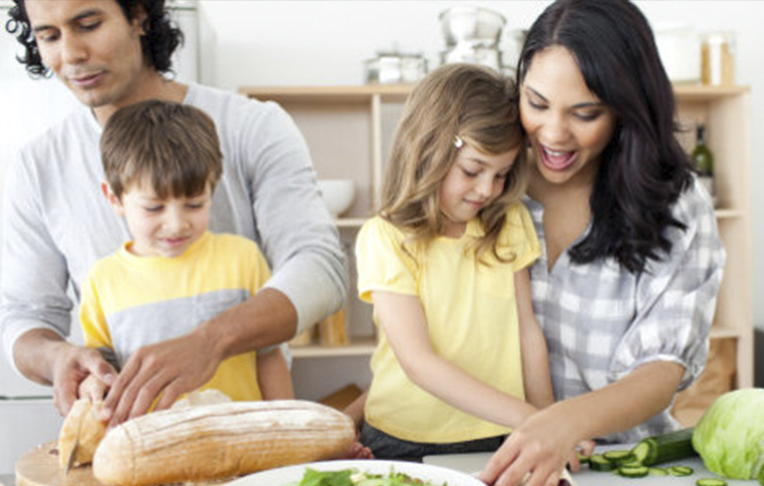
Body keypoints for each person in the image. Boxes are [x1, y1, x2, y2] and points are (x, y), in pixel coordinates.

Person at [1, 0, 345, 425]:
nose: (70, 55)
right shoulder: (38, 166)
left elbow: (320, 268)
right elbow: (26, 317)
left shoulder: (252, 125)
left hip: (246, 425)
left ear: (140, 16)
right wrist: (57, 358)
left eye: (88, 25)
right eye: (48, 36)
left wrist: (211, 341)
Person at [479, 0, 725, 486]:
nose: (553, 134)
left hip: (628, 472)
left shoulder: (675, 204)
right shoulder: (488, 184)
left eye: (585, 113)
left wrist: (560, 424)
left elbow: (660, 369)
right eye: (537, 103)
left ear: (626, 106)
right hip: (488, 464)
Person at [354, 63, 561, 460]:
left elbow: (527, 333)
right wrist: (531, 418)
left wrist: (548, 420)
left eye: (500, 175)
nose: (487, 189)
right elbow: (418, 362)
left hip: (500, 433)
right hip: (403, 439)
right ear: (428, 150)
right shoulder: (386, 238)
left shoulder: (508, 221)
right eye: (472, 170)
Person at [78, 99, 293, 406]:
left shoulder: (243, 259)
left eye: (194, 204)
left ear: (212, 188)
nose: (176, 225)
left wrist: (289, 433)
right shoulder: (103, 279)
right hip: (151, 446)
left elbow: (269, 357)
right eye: (154, 207)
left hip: (243, 442)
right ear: (114, 198)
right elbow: (103, 373)